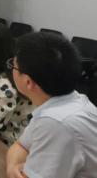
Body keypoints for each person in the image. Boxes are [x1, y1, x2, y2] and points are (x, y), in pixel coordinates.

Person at [6, 32, 97, 178]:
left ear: (28, 82)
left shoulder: (56, 122)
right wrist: (12, 167)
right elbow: (20, 146)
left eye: (13, 65)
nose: (11, 69)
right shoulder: (66, 100)